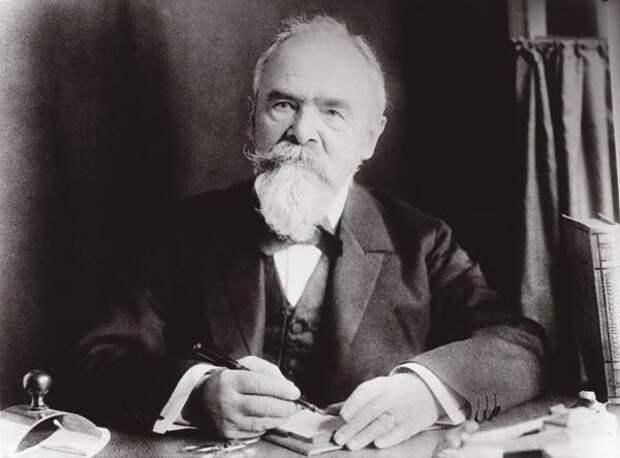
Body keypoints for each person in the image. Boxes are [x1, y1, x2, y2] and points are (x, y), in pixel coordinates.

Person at [69, 15, 545, 451]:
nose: (302, 131)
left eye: (333, 112)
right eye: (283, 105)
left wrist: (424, 391)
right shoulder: (181, 232)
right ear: (253, 117)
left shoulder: (422, 243)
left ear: (370, 137)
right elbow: (97, 360)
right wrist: (198, 393)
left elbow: (520, 347)